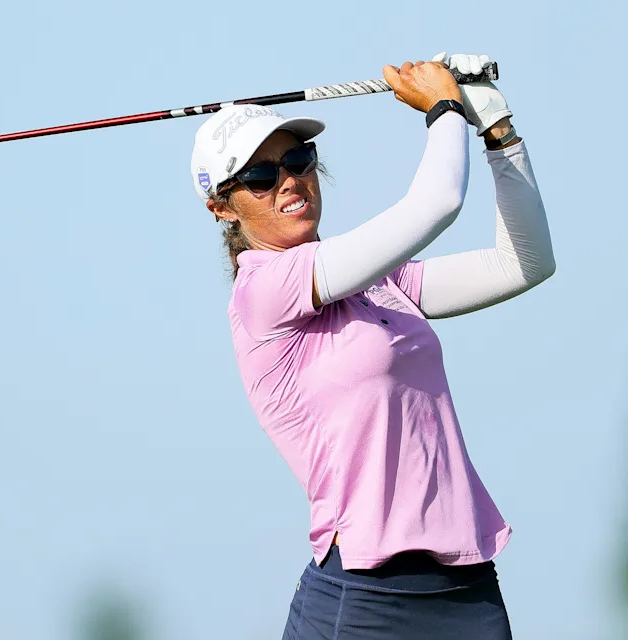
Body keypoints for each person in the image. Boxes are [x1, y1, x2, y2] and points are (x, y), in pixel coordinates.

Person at [188, 53, 554, 639]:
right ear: (222, 207)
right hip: (366, 597)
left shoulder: (379, 285)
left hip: (468, 588)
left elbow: (525, 264)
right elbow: (436, 204)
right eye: (259, 176)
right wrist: (442, 111)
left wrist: (498, 132)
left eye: (297, 159)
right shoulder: (264, 291)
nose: (288, 181)